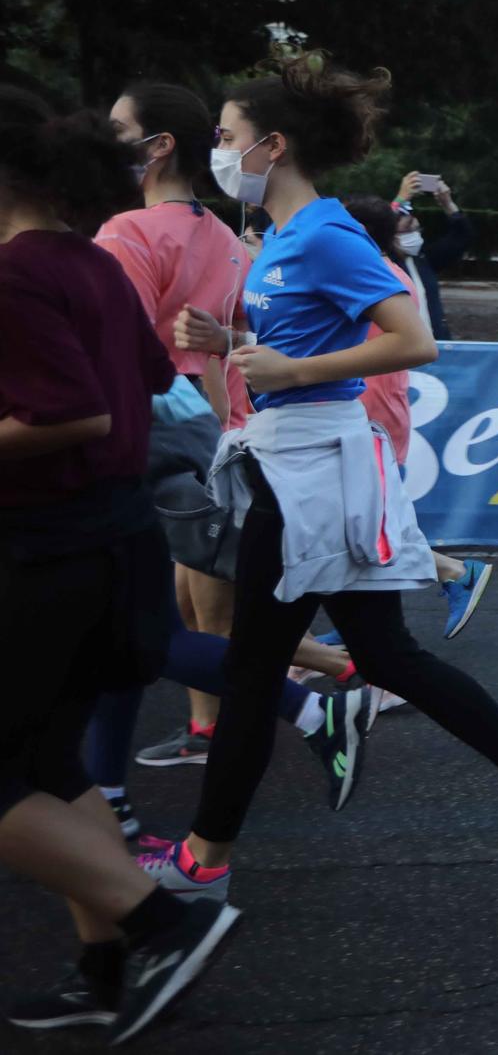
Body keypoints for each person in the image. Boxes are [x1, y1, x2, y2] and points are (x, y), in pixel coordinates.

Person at [150, 51, 498, 904]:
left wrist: (293, 372)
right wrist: (219, 342)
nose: (219, 150)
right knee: (378, 651)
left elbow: (412, 339)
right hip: (294, 464)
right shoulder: (282, 238)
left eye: (228, 137)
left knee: (255, 672)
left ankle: (203, 864)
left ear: (271, 146)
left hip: (316, 469)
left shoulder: (325, 232)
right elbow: (283, 351)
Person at [0, 88, 240, 1041]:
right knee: (53, 767)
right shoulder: (88, 266)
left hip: (47, 553)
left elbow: (74, 411)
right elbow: (143, 379)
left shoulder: (17, 274)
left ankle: (163, 922)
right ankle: (101, 969)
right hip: (116, 543)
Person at [97, 83, 250, 767]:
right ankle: (216, 727)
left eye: (117, 127)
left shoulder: (127, 232)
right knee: (201, 597)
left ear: (157, 146)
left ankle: (306, 701)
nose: (104, 138)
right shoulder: (227, 238)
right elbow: (237, 336)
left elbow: (111, 346)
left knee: (157, 611)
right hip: (214, 420)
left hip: (148, 427)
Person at [342, 195, 492, 637]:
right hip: (372, 418)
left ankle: (451, 575)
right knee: (367, 532)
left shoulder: (369, 276)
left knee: (368, 534)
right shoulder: (381, 273)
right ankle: (357, 632)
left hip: (369, 420)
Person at [391, 170, 474, 339]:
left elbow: (463, 236)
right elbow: (370, 231)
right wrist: (400, 199)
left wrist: (447, 203)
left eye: (417, 229)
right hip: (399, 352)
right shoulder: (380, 262)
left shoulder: (424, 259)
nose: (415, 235)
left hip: (436, 346)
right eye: (408, 230)